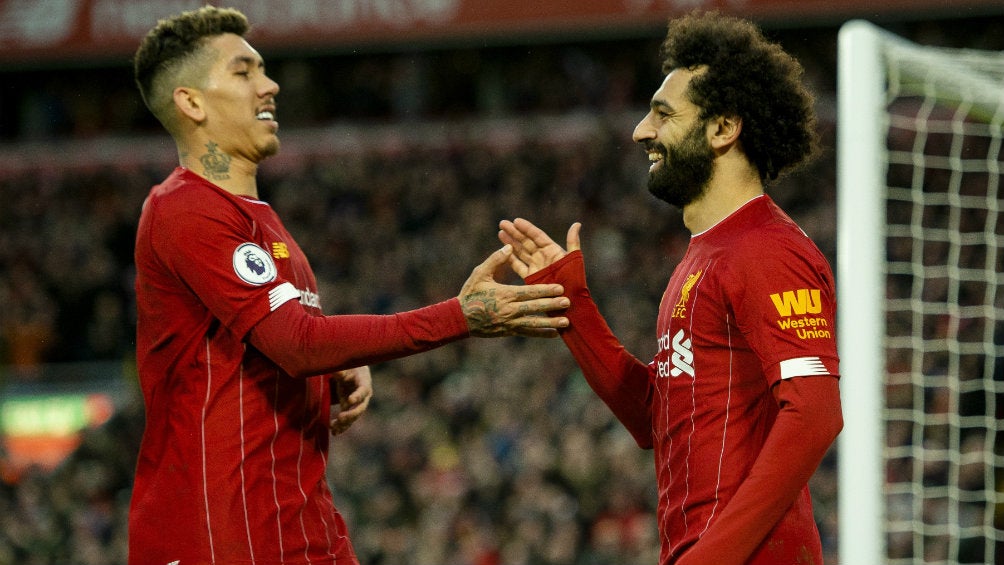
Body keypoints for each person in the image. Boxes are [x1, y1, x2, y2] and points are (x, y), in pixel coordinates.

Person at [129, 6, 570, 565]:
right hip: (221, 535)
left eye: (262, 68)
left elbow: (288, 341)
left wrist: (332, 362)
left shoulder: (259, 220)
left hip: (300, 523)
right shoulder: (186, 208)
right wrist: (461, 317)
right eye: (243, 71)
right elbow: (294, 343)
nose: (270, 84)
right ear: (190, 102)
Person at [498, 11, 843, 565]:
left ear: (723, 128)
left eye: (663, 113)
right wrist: (572, 307)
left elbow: (816, 414)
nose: (641, 130)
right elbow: (652, 419)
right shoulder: (705, 254)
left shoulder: (768, 249)